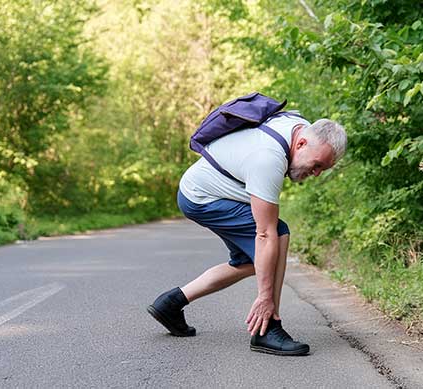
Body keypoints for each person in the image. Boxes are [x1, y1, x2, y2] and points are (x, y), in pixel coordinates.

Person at [147, 111, 347, 356]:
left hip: (203, 189)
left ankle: (171, 303)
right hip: (203, 197)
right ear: (302, 143)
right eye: (316, 165)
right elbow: (264, 234)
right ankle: (268, 329)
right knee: (278, 234)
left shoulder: (301, 128)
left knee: (255, 262)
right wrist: (265, 297)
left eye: (322, 169)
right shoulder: (268, 159)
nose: (316, 174)